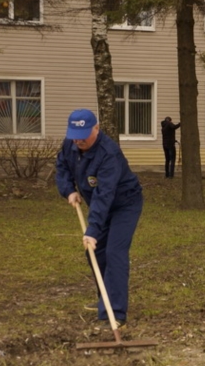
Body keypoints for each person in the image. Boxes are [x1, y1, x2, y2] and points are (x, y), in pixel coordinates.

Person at [55, 109, 143, 328]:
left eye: (84, 133)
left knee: (115, 251)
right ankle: (105, 297)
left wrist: (92, 230)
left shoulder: (108, 153)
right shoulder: (70, 143)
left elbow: (105, 194)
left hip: (124, 204)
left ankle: (115, 311)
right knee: (95, 252)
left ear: (97, 128)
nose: (79, 139)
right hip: (99, 203)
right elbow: (62, 167)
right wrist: (68, 190)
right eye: (75, 133)